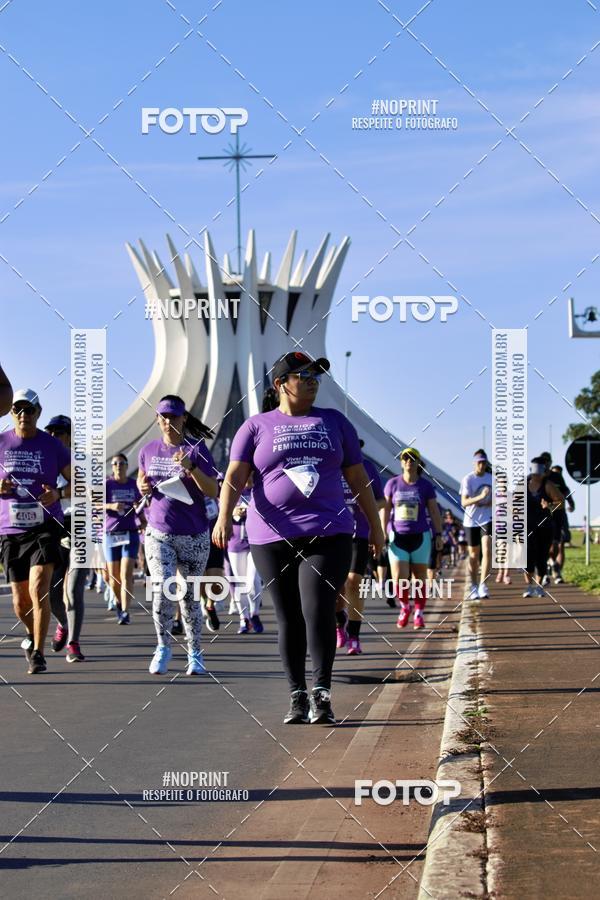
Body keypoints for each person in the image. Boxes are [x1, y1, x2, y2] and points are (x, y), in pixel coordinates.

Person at [212, 351, 385, 726]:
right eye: (302, 375)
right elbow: (234, 477)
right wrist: (224, 516)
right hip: (270, 536)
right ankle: (297, 695)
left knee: (318, 608)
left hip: (329, 532)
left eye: (315, 375)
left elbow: (358, 479)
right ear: (280, 385)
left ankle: (321, 694)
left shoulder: (335, 423)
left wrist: (376, 526)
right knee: (288, 615)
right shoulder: (255, 427)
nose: (311, 380)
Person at [138, 395, 218, 676]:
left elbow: (213, 491)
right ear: (157, 419)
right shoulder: (148, 450)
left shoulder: (198, 450)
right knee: (162, 589)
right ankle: (163, 646)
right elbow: (142, 481)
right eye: (163, 416)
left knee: (190, 598)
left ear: (184, 418)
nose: (168, 421)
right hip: (159, 531)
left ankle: (194, 653)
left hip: (194, 534)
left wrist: (191, 467)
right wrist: (143, 487)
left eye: (173, 416)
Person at [0, 389, 71, 674]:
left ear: (38, 413)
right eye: (18, 410)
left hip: (45, 526)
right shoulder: (2, 443)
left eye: (29, 410)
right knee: (20, 601)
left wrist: (58, 493)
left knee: (39, 587)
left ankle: (39, 654)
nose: (23, 415)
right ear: (11, 412)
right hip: (10, 529)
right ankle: (32, 634)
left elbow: (79, 482)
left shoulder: (52, 446)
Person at [382, 448, 443, 629]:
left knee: (420, 578)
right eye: (405, 458)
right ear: (401, 463)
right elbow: (385, 509)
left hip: (420, 536)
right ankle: (404, 607)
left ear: (418, 463)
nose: (409, 461)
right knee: (399, 577)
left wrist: (438, 534)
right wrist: (382, 532)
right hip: (397, 536)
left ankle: (419, 613)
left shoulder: (425, 486)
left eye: (412, 458)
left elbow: (433, 511)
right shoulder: (392, 484)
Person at [44, 415, 86, 662]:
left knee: (75, 588)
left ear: (70, 436)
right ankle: (63, 624)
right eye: (49, 432)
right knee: (53, 591)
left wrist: (60, 493)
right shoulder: (45, 462)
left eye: (58, 432)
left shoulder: (84, 460)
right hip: (56, 526)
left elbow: (88, 488)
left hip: (82, 524)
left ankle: (74, 643)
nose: (53, 436)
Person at [336, 447, 384, 654]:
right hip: (333, 533)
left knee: (354, 581)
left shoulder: (367, 467)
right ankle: (340, 623)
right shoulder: (329, 466)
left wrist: (365, 504)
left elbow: (381, 500)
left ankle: (354, 635)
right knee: (336, 587)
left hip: (360, 533)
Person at [105, 453, 145, 625]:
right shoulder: (107, 484)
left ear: (127, 466)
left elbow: (140, 504)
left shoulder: (132, 484)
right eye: (115, 463)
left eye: (122, 463)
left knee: (126, 573)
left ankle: (125, 611)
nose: (119, 466)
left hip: (130, 532)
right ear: (112, 467)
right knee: (114, 577)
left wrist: (142, 517)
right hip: (111, 534)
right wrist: (111, 505)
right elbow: (95, 503)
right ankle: (119, 602)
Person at [227, 475, 264, 634]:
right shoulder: (232, 489)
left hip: (256, 541)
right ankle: (244, 618)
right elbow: (220, 509)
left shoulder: (260, 488)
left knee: (253, 580)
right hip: (235, 543)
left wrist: (251, 512)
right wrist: (233, 511)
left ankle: (255, 613)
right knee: (239, 583)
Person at [523, 457, 564, 597]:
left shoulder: (548, 485)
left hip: (545, 527)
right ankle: (528, 586)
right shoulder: (523, 484)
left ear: (544, 472)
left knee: (541, 557)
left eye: (540, 472)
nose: (537, 476)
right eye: (534, 472)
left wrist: (550, 506)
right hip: (528, 526)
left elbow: (561, 502)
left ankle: (539, 587)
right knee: (528, 557)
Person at [460, 450, 493, 600]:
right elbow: (464, 502)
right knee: (473, 555)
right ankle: (473, 584)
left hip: (487, 519)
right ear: (474, 463)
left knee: (487, 550)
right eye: (479, 462)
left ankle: (483, 585)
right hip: (471, 520)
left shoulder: (492, 478)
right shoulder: (468, 479)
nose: (482, 465)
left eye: (484, 462)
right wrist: (480, 497)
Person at [540, 454, 575, 584]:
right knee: (543, 544)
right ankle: (547, 571)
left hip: (558, 514)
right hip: (543, 516)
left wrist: (571, 503)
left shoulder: (557, 477)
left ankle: (553, 564)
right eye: (543, 462)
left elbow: (566, 491)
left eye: (547, 462)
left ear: (550, 462)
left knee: (556, 544)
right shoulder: (536, 479)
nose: (545, 465)